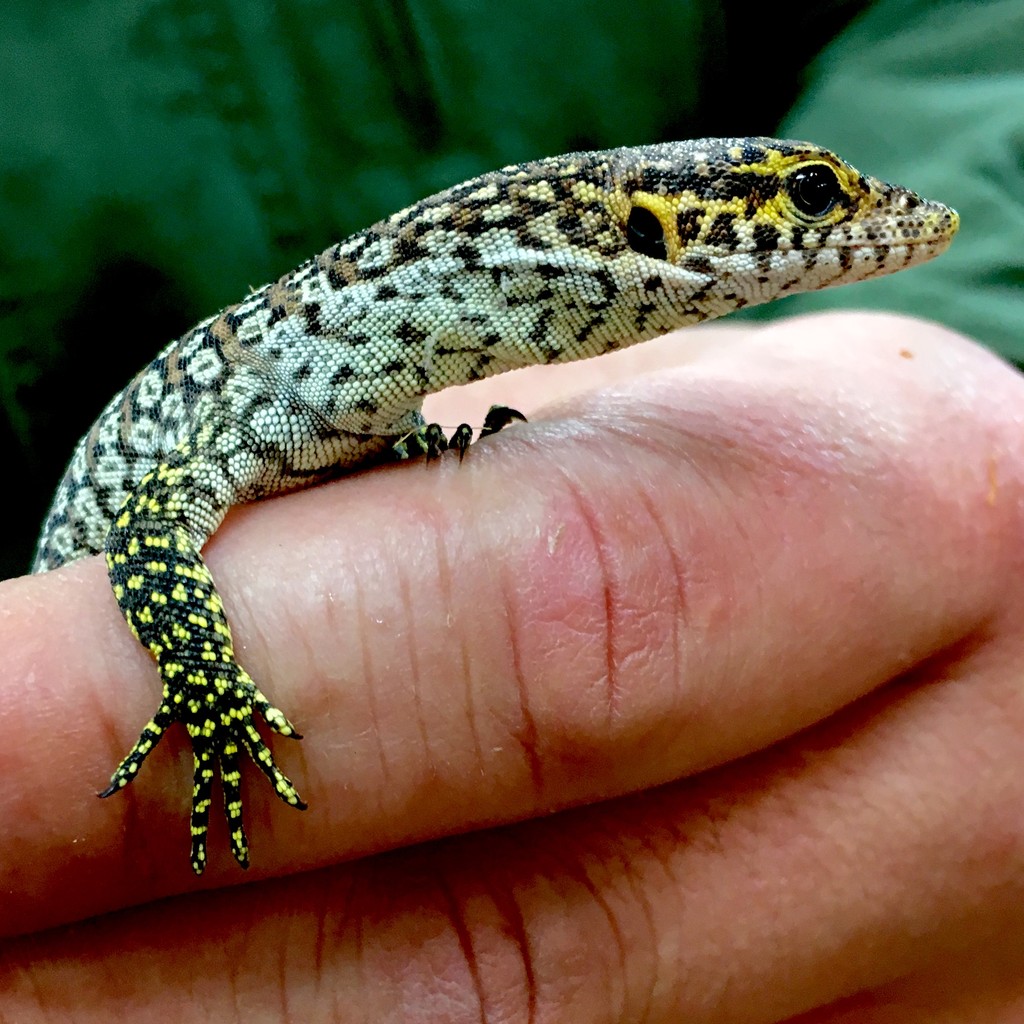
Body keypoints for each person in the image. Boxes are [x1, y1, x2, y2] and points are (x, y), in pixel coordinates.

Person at [3, 312, 1023, 1020]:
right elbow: (142, 541)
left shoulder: (333, 393)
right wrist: (211, 691)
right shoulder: (260, 400)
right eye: (804, 203)